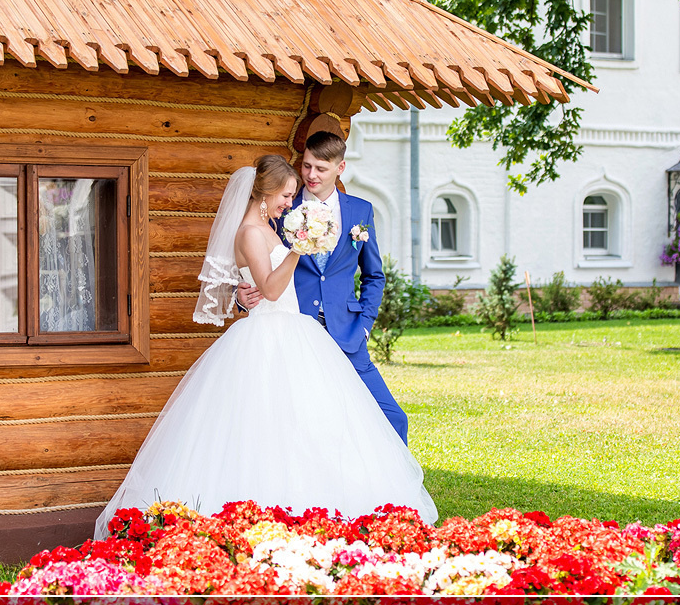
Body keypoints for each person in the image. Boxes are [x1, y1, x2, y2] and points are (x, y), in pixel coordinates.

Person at [94, 155, 436, 538]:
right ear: (266, 192)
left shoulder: (270, 229)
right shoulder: (250, 233)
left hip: (296, 330)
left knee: (311, 424)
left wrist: (292, 249)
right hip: (267, 336)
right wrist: (298, 248)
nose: (289, 203)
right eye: (286, 195)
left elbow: (272, 282)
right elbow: (271, 288)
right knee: (265, 427)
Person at [237, 132, 407, 444]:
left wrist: (365, 325)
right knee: (306, 423)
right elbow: (252, 255)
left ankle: (399, 492)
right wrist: (240, 293)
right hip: (295, 333)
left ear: (340, 168)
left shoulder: (361, 211)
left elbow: (374, 275)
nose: (311, 175)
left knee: (391, 416)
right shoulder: (280, 207)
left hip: (348, 333)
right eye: (306, 166)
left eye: (320, 168)